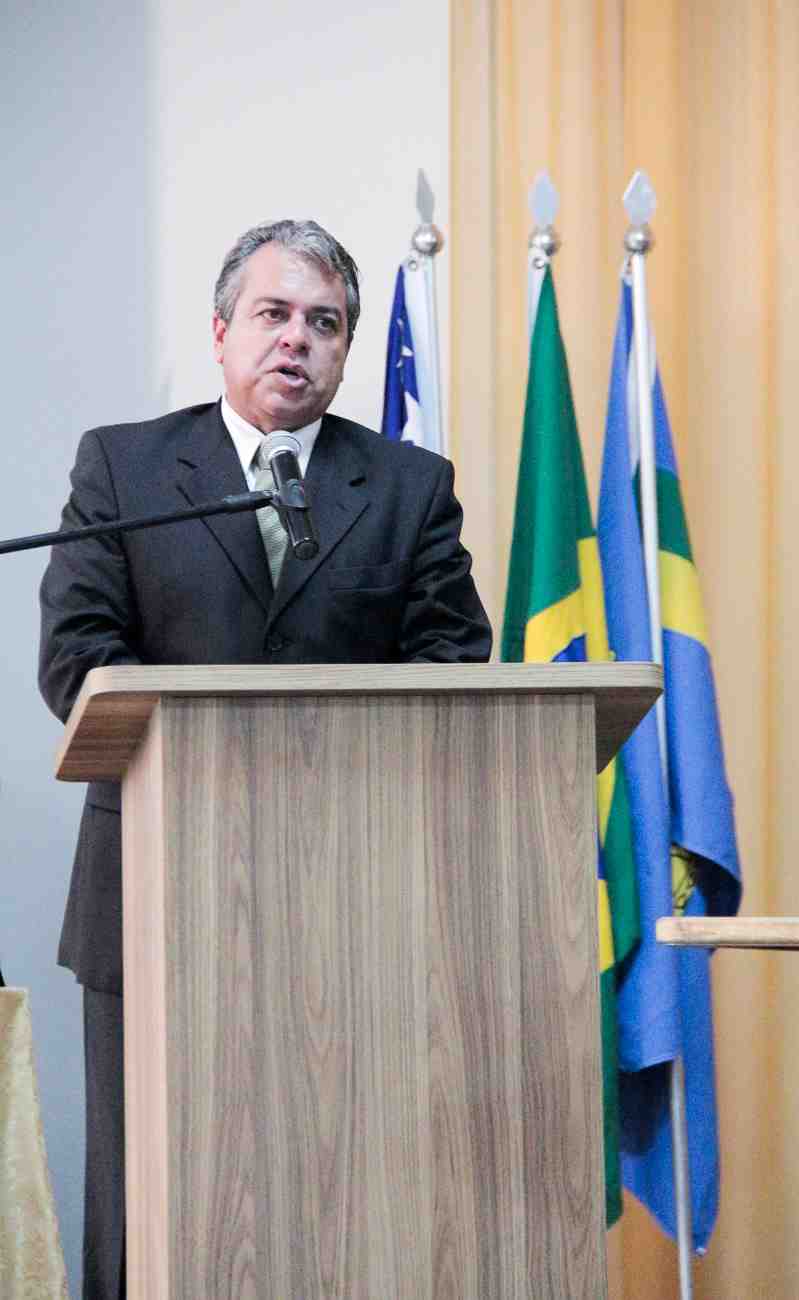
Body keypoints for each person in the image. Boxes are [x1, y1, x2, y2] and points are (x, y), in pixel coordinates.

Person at [39, 218, 491, 1300]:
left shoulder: (408, 486)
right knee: (146, 1202)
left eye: (323, 323)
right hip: (152, 891)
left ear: (345, 350)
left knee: (341, 1197)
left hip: (356, 898)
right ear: (221, 332)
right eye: (273, 314)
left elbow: (452, 661)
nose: (297, 339)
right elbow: (77, 655)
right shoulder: (127, 466)